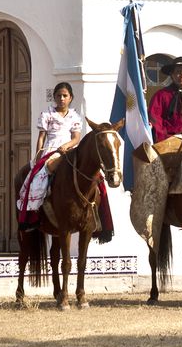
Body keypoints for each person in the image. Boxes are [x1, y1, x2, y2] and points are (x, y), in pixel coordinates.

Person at [16, 82, 112, 241]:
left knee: (98, 179)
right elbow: (41, 138)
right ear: (54, 97)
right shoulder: (47, 114)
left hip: (70, 150)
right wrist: (38, 157)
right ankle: (36, 214)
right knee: (39, 178)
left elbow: (76, 138)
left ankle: (100, 219)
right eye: (59, 95)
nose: (61, 98)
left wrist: (65, 147)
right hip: (51, 151)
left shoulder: (74, 116)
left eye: (65, 96)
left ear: (70, 98)